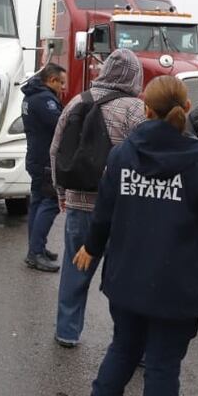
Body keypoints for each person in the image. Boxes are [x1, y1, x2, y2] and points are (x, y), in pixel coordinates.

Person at [75, 76, 198, 396]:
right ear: (186, 108)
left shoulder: (122, 155)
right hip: (178, 285)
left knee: (123, 350)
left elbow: (103, 214)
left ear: (145, 109)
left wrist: (91, 247)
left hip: (126, 279)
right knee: (162, 365)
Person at [51, 48, 146, 348]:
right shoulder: (135, 109)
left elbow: (56, 151)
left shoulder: (78, 102)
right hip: (123, 209)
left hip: (80, 203)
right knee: (128, 277)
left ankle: (67, 331)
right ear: (135, 76)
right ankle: (129, 343)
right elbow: (146, 156)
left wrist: (61, 193)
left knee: (75, 269)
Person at [21, 63, 67, 271]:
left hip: (36, 158)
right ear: (51, 80)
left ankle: (36, 247)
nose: (63, 87)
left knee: (38, 203)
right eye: (61, 82)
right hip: (45, 161)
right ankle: (36, 253)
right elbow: (61, 125)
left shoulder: (31, 95)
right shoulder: (45, 100)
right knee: (50, 203)